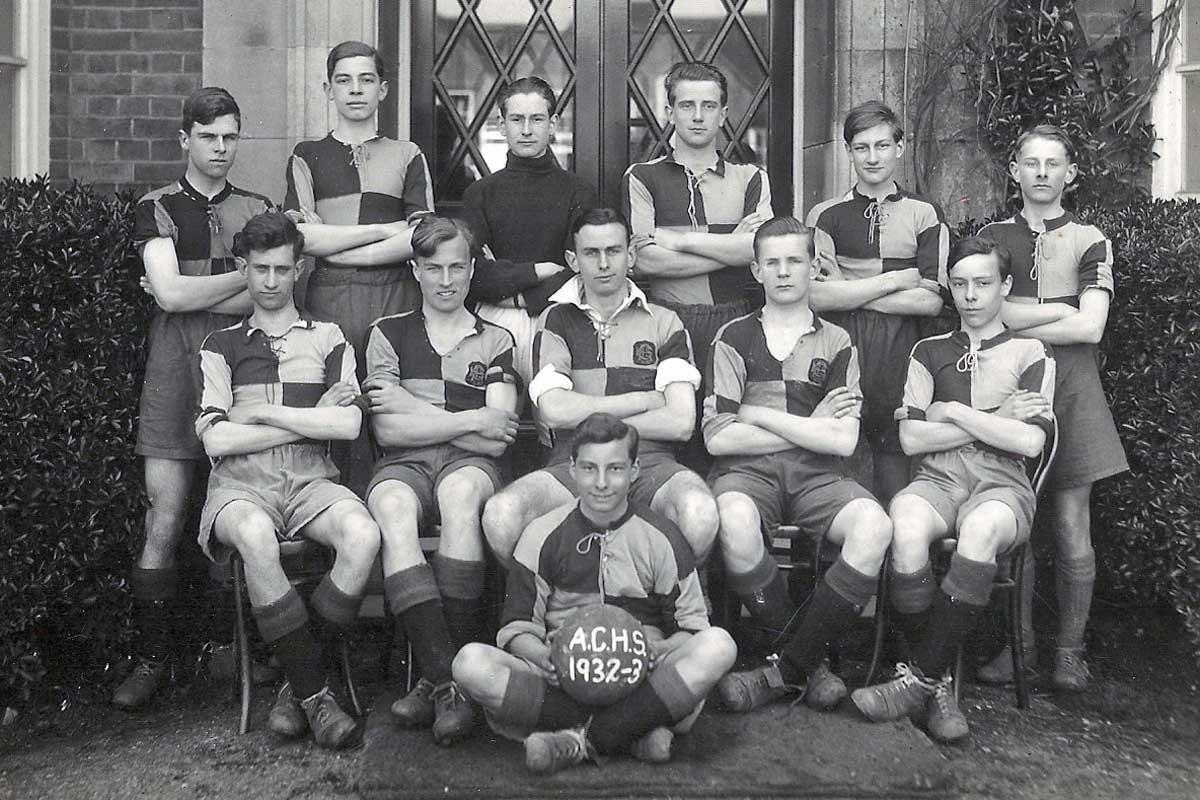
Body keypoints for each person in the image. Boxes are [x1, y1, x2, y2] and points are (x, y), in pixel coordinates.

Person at [850, 236, 1055, 743]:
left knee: (981, 528)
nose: (971, 295)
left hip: (1002, 482)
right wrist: (994, 418)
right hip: (939, 476)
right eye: (960, 284)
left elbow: (1028, 442)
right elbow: (912, 436)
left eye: (983, 284)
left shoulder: (1033, 352)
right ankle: (937, 686)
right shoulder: (929, 351)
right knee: (906, 522)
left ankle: (917, 681)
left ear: (1005, 286)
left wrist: (957, 412)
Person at [453, 414, 737, 774]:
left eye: (615, 469)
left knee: (719, 645)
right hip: (561, 683)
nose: (601, 483)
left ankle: (579, 742)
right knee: (470, 663)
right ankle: (633, 731)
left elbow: (691, 625)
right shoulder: (542, 534)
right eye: (589, 468)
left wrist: (665, 648)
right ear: (571, 469)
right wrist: (542, 656)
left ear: (634, 470)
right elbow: (517, 629)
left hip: (642, 681)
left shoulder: (662, 537)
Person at [115, 87, 276, 710]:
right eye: (208, 137)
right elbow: (171, 299)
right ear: (185, 139)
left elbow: (262, 301)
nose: (220, 148)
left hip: (240, 367)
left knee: (242, 505)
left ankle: (233, 651)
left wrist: (192, 287)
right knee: (168, 512)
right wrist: (247, 273)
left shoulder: (259, 207)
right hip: (174, 369)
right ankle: (151, 661)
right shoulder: (155, 206)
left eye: (230, 136)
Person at [194, 212, 381, 750]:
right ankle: (318, 698)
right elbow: (216, 441)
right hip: (238, 486)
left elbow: (347, 425)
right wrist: (308, 414)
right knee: (253, 535)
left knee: (363, 535)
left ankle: (299, 683)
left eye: (281, 269)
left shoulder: (329, 337)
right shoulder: (220, 344)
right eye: (260, 270)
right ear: (243, 269)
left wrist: (263, 416)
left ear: (299, 268)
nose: (271, 281)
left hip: (310, 479)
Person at [702, 216, 893, 704]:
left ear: (814, 267)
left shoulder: (838, 342)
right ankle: (807, 663)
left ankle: (785, 669)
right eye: (773, 262)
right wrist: (812, 430)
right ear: (756, 270)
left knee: (874, 526)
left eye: (795, 261)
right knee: (734, 519)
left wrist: (756, 415)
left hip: (818, 477)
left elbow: (844, 442)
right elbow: (719, 440)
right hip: (746, 474)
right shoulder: (732, 338)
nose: (784, 272)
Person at [974, 125, 1127, 693]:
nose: (1041, 173)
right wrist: (1054, 310)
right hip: (1008, 386)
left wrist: (1020, 311)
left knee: (1069, 524)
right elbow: (988, 317)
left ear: (1071, 173)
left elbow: (1091, 326)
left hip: (1074, 390)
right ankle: (1021, 651)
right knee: (1015, 522)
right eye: (1030, 163)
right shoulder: (992, 236)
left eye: (1052, 163)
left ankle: (1070, 652)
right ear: (1014, 170)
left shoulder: (1089, 238)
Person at [481, 208, 718, 564]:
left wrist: (593, 421)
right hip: (573, 463)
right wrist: (646, 399)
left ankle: (662, 609)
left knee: (700, 512)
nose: (604, 263)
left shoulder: (665, 322)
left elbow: (681, 422)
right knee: (501, 515)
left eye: (614, 251)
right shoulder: (555, 319)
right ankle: (550, 605)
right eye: (592, 253)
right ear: (573, 260)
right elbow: (555, 411)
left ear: (631, 255)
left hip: (648, 463)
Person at [363, 216, 520, 745]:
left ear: (474, 270)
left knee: (460, 497)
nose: (446, 280)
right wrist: (467, 418)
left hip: (467, 465)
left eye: (457, 267)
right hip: (402, 463)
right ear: (416, 270)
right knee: (391, 510)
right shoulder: (388, 333)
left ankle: (436, 682)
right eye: (434, 268)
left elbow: (499, 436)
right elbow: (386, 427)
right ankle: (448, 677)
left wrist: (416, 406)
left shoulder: (496, 339)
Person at [283, 40, 434, 493]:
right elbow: (303, 238)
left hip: (394, 295)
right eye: (343, 81)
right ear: (327, 89)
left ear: (383, 89)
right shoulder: (307, 155)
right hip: (329, 296)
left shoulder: (407, 154)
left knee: (388, 402)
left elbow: (419, 237)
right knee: (338, 401)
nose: (355, 90)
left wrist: (339, 244)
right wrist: (382, 232)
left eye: (366, 80)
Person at [622, 61, 773, 466]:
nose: (697, 115)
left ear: (724, 114)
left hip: (737, 321)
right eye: (686, 105)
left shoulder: (751, 177)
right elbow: (646, 261)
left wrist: (683, 240)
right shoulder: (642, 177)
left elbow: (756, 252)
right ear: (669, 112)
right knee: (674, 443)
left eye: (709, 105)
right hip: (668, 322)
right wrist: (729, 247)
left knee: (731, 438)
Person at [805, 100, 948, 504]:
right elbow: (816, 296)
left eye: (882, 146)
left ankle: (896, 564)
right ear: (848, 151)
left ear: (899, 148)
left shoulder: (925, 213)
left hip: (902, 351)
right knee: (839, 463)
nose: (873, 157)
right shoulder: (825, 215)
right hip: (841, 348)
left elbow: (929, 301)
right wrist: (894, 280)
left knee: (894, 472)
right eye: (862, 147)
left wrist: (849, 288)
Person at [461, 76, 598, 385]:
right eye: (516, 119)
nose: (526, 130)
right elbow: (474, 274)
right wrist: (539, 270)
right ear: (501, 124)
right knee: (496, 418)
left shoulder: (578, 192)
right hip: (493, 319)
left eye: (536, 119)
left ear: (553, 124)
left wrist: (512, 287)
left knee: (557, 422)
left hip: (560, 317)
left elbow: (581, 271)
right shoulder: (480, 194)